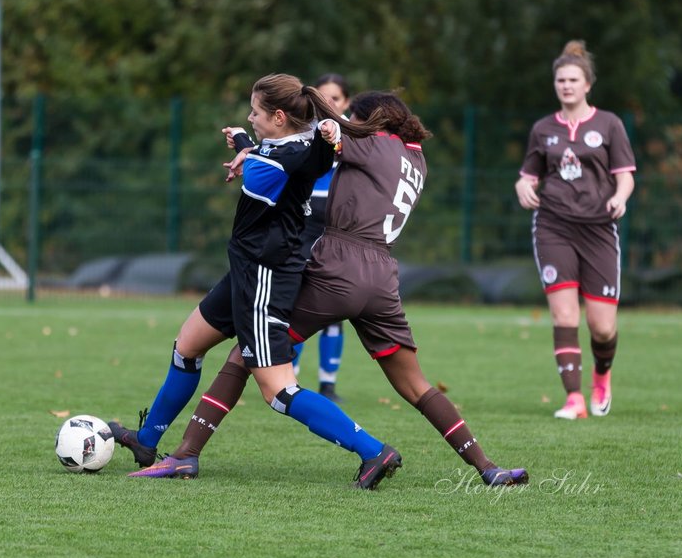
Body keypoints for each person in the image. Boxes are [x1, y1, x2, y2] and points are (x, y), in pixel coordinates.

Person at [130, 91, 527, 487]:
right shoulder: (416, 158)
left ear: (373, 120)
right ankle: (487, 467)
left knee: (247, 355)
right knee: (415, 385)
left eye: (357, 115)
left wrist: (305, 122)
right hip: (384, 275)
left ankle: (187, 454)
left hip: (339, 267)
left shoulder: (370, 143)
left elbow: (320, 137)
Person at [108, 73, 403, 489]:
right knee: (187, 346)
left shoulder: (287, 157)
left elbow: (260, 172)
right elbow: (285, 152)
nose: (250, 117)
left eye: (256, 112)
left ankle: (374, 451)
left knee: (278, 391)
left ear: (279, 116)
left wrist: (246, 148)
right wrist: (251, 141)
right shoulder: (293, 145)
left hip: (266, 278)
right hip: (245, 271)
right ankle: (146, 441)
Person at [513, 40, 636, 419]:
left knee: (601, 326)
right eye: (560, 80)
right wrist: (522, 187)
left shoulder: (609, 124)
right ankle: (574, 399)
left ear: (587, 85)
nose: (566, 86)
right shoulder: (543, 129)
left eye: (572, 80)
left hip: (599, 229)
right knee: (564, 317)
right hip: (553, 226)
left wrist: (621, 197)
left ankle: (602, 375)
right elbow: (528, 175)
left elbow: (626, 175)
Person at [293, 72, 350, 402]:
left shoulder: (353, 132)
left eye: (336, 98)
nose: (329, 103)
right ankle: (291, 378)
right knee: (298, 296)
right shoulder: (303, 129)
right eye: (323, 97)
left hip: (339, 221)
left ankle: (328, 383)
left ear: (347, 103)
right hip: (305, 218)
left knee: (334, 303)